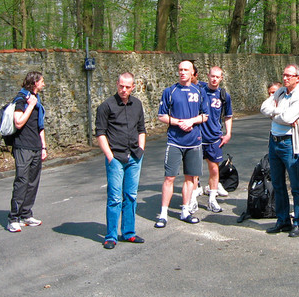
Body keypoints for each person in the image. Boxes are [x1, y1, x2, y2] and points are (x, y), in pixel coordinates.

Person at [154, 60, 209, 227]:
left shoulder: (199, 91)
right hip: (175, 141)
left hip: (194, 142)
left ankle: (185, 210)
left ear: (193, 72)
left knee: (190, 178)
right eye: (180, 69)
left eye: (186, 70)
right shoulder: (170, 91)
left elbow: (205, 115)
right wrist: (179, 122)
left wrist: (191, 122)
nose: (183, 72)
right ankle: (163, 213)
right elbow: (162, 116)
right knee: (169, 177)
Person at [95, 72, 146, 249]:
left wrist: (141, 149)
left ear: (133, 87)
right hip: (115, 157)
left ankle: (129, 233)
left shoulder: (137, 104)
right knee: (115, 198)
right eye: (121, 86)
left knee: (131, 196)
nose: (123, 90)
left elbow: (142, 129)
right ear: (117, 84)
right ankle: (110, 236)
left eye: (127, 87)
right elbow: (100, 133)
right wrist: (109, 156)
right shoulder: (106, 106)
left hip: (134, 156)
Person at [260, 64, 299, 237]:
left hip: (290, 144)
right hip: (274, 142)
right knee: (277, 184)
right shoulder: (280, 92)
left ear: (298, 78)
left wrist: (276, 114)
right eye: (284, 75)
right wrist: (279, 113)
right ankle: (282, 220)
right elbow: (263, 108)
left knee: (296, 185)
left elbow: (289, 117)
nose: (285, 78)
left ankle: (298, 222)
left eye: (289, 75)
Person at [6, 71, 48, 233]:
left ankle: (26, 214)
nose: (44, 83)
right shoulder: (21, 99)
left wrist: (43, 147)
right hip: (22, 146)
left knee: (32, 182)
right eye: (42, 81)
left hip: (36, 146)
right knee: (22, 181)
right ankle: (13, 218)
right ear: (35, 82)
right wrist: (30, 105)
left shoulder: (37, 100)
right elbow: (18, 122)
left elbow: (40, 126)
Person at [197, 66, 233, 213]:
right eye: (212, 76)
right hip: (198, 137)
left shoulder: (224, 95)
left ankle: (212, 199)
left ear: (221, 78)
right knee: (194, 170)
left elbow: (228, 116)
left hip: (214, 138)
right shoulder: (199, 91)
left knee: (214, 169)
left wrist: (228, 133)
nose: (214, 79)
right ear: (208, 76)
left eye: (217, 77)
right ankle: (192, 199)